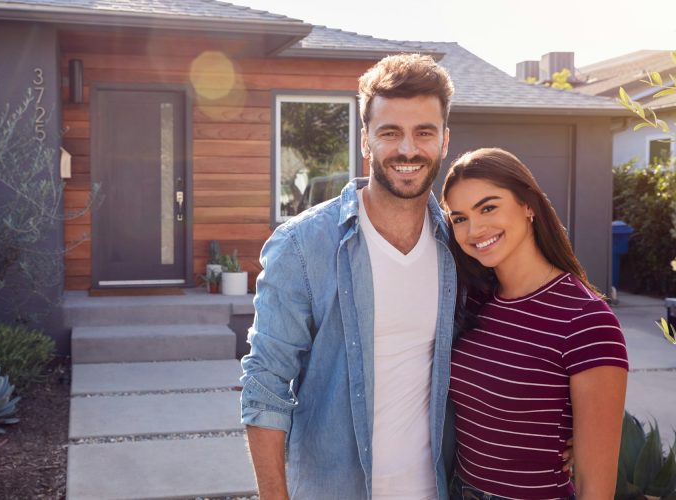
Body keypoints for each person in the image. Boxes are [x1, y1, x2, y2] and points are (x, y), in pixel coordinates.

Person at [240, 53, 458, 499]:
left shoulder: (460, 246)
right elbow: (266, 384)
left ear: (444, 140)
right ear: (365, 141)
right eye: (390, 133)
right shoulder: (303, 246)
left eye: (424, 133)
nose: (408, 150)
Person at [440, 147, 628, 500]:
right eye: (459, 217)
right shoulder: (474, 302)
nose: (475, 229)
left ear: (528, 205)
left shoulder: (587, 321)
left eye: (489, 207)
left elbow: (596, 487)